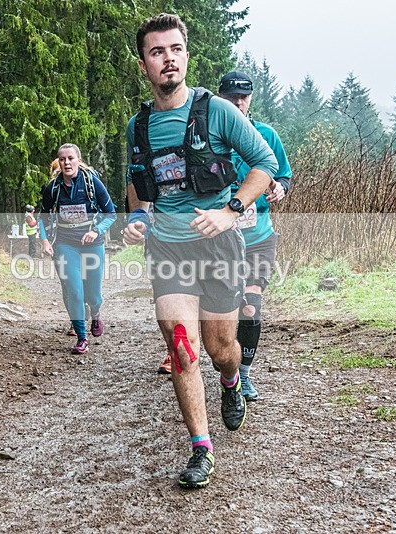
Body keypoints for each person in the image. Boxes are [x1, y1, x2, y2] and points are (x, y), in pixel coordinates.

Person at [122, 14, 278, 489]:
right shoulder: (138, 125)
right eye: (156, 51)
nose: (167, 58)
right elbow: (137, 184)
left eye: (174, 49)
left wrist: (231, 211)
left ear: (186, 55)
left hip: (219, 246)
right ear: (144, 63)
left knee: (219, 348)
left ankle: (232, 383)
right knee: (181, 344)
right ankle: (201, 448)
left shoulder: (218, 112)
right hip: (168, 248)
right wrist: (137, 217)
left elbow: (264, 165)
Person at [156, 72, 293, 402]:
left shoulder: (266, 135)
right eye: (232, 95)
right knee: (206, 309)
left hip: (256, 234)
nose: (238, 101)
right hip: (211, 239)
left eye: (244, 96)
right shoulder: (207, 130)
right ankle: (205, 357)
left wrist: (279, 188)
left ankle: (241, 375)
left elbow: (282, 173)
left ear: (251, 99)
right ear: (221, 97)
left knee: (251, 305)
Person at [39, 143, 117, 354]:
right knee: (74, 290)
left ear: (79, 161)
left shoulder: (93, 184)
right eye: (62, 159)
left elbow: (111, 214)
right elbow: (42, 218)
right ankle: (82, 337)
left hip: (93, 244)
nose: (66, 163)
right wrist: (45, 241)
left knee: (93, 294)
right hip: (65, 244)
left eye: (70, 158)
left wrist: (97, 231)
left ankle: (96, 311)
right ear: (59, 162)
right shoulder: (53, 188)